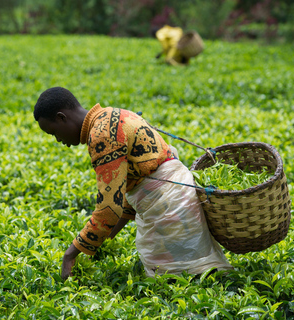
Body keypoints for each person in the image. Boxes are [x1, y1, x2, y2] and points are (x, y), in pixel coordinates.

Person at [34, 87, 233, 279]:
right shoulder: (112, 114)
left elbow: (109, 207)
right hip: (177, 201)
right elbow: (131, 189)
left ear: (62, 117)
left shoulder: (101, 134)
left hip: (169, 208)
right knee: (199, 274)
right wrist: (104, 238)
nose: (59, 140)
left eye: (54, 133)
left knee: (179, 281)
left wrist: (71, 254)